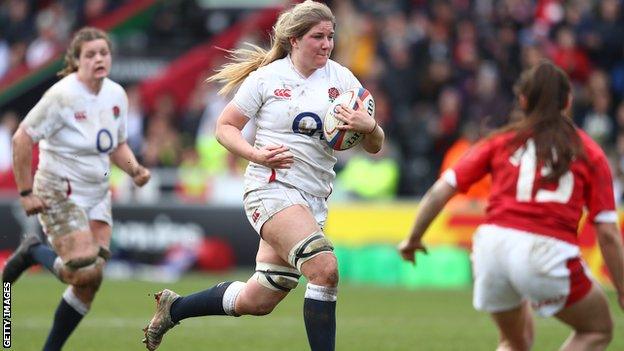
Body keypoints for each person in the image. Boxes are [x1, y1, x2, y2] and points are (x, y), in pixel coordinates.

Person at [142, 1, 384, 350]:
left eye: (330, 36)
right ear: (294, 40)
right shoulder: (268, 79)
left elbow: (375, 145)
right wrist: (255, 154)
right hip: (269, 189)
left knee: (258, 300)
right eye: (318, 37)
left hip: (312, 199)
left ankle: (174, 308)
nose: (327, 44)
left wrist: (370, 126)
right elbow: (224, 126)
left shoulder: (343, 80)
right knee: (324, 268)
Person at [398, 60, 624, 351]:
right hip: (547, 250)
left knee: (515, 342)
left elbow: (440, 191)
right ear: (568, 101)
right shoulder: (588, 151)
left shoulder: (501, 141)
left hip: (492, 247)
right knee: (597, 330)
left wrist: (413, 238)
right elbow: (607, 233)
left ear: (522, 100)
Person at [2, 27, 150, 350]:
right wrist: (26, 192)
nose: (99, 59)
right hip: (59, 189)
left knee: (91, 280)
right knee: (82, 271)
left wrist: (135, 169)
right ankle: (31, 252)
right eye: (90, 54)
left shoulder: (116, 95)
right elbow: (22, 138)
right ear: (76, 60)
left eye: (104, 53)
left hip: (98, 193)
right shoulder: (62, 96)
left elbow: (117, 144)